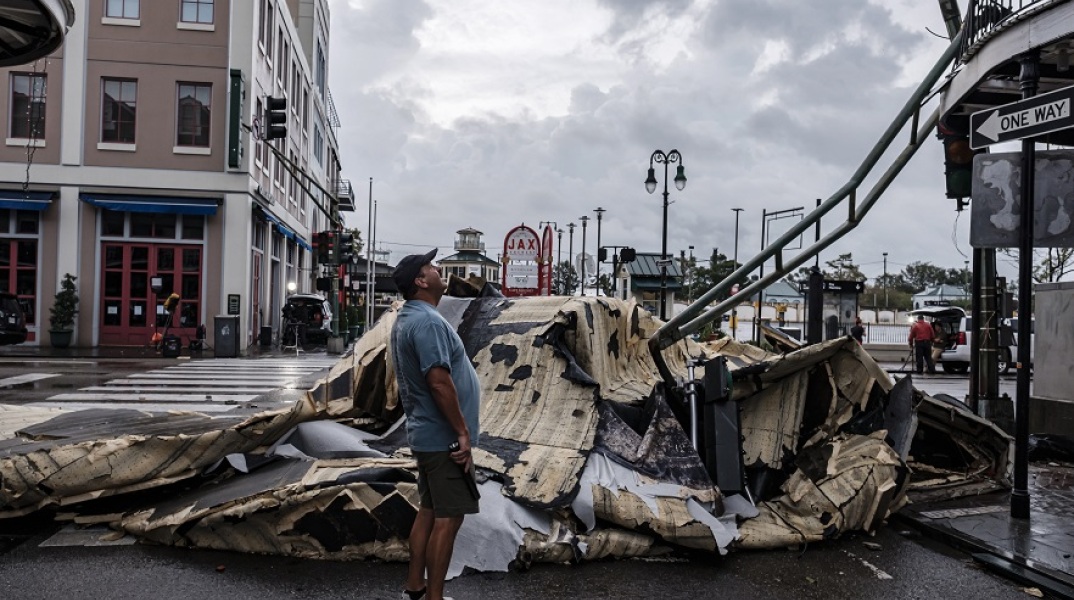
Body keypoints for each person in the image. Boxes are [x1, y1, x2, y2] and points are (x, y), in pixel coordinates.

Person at [390, 249, 481, 600]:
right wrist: (462, 432)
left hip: (427, 434)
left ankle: (415, 588)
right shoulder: (427, 322)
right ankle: (434, 598)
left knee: (429, 512)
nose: (438, 268)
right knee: (450, 517)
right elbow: (439, 382)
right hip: (443, 439)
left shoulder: (409, 318)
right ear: (420, 280)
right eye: (430, 266)